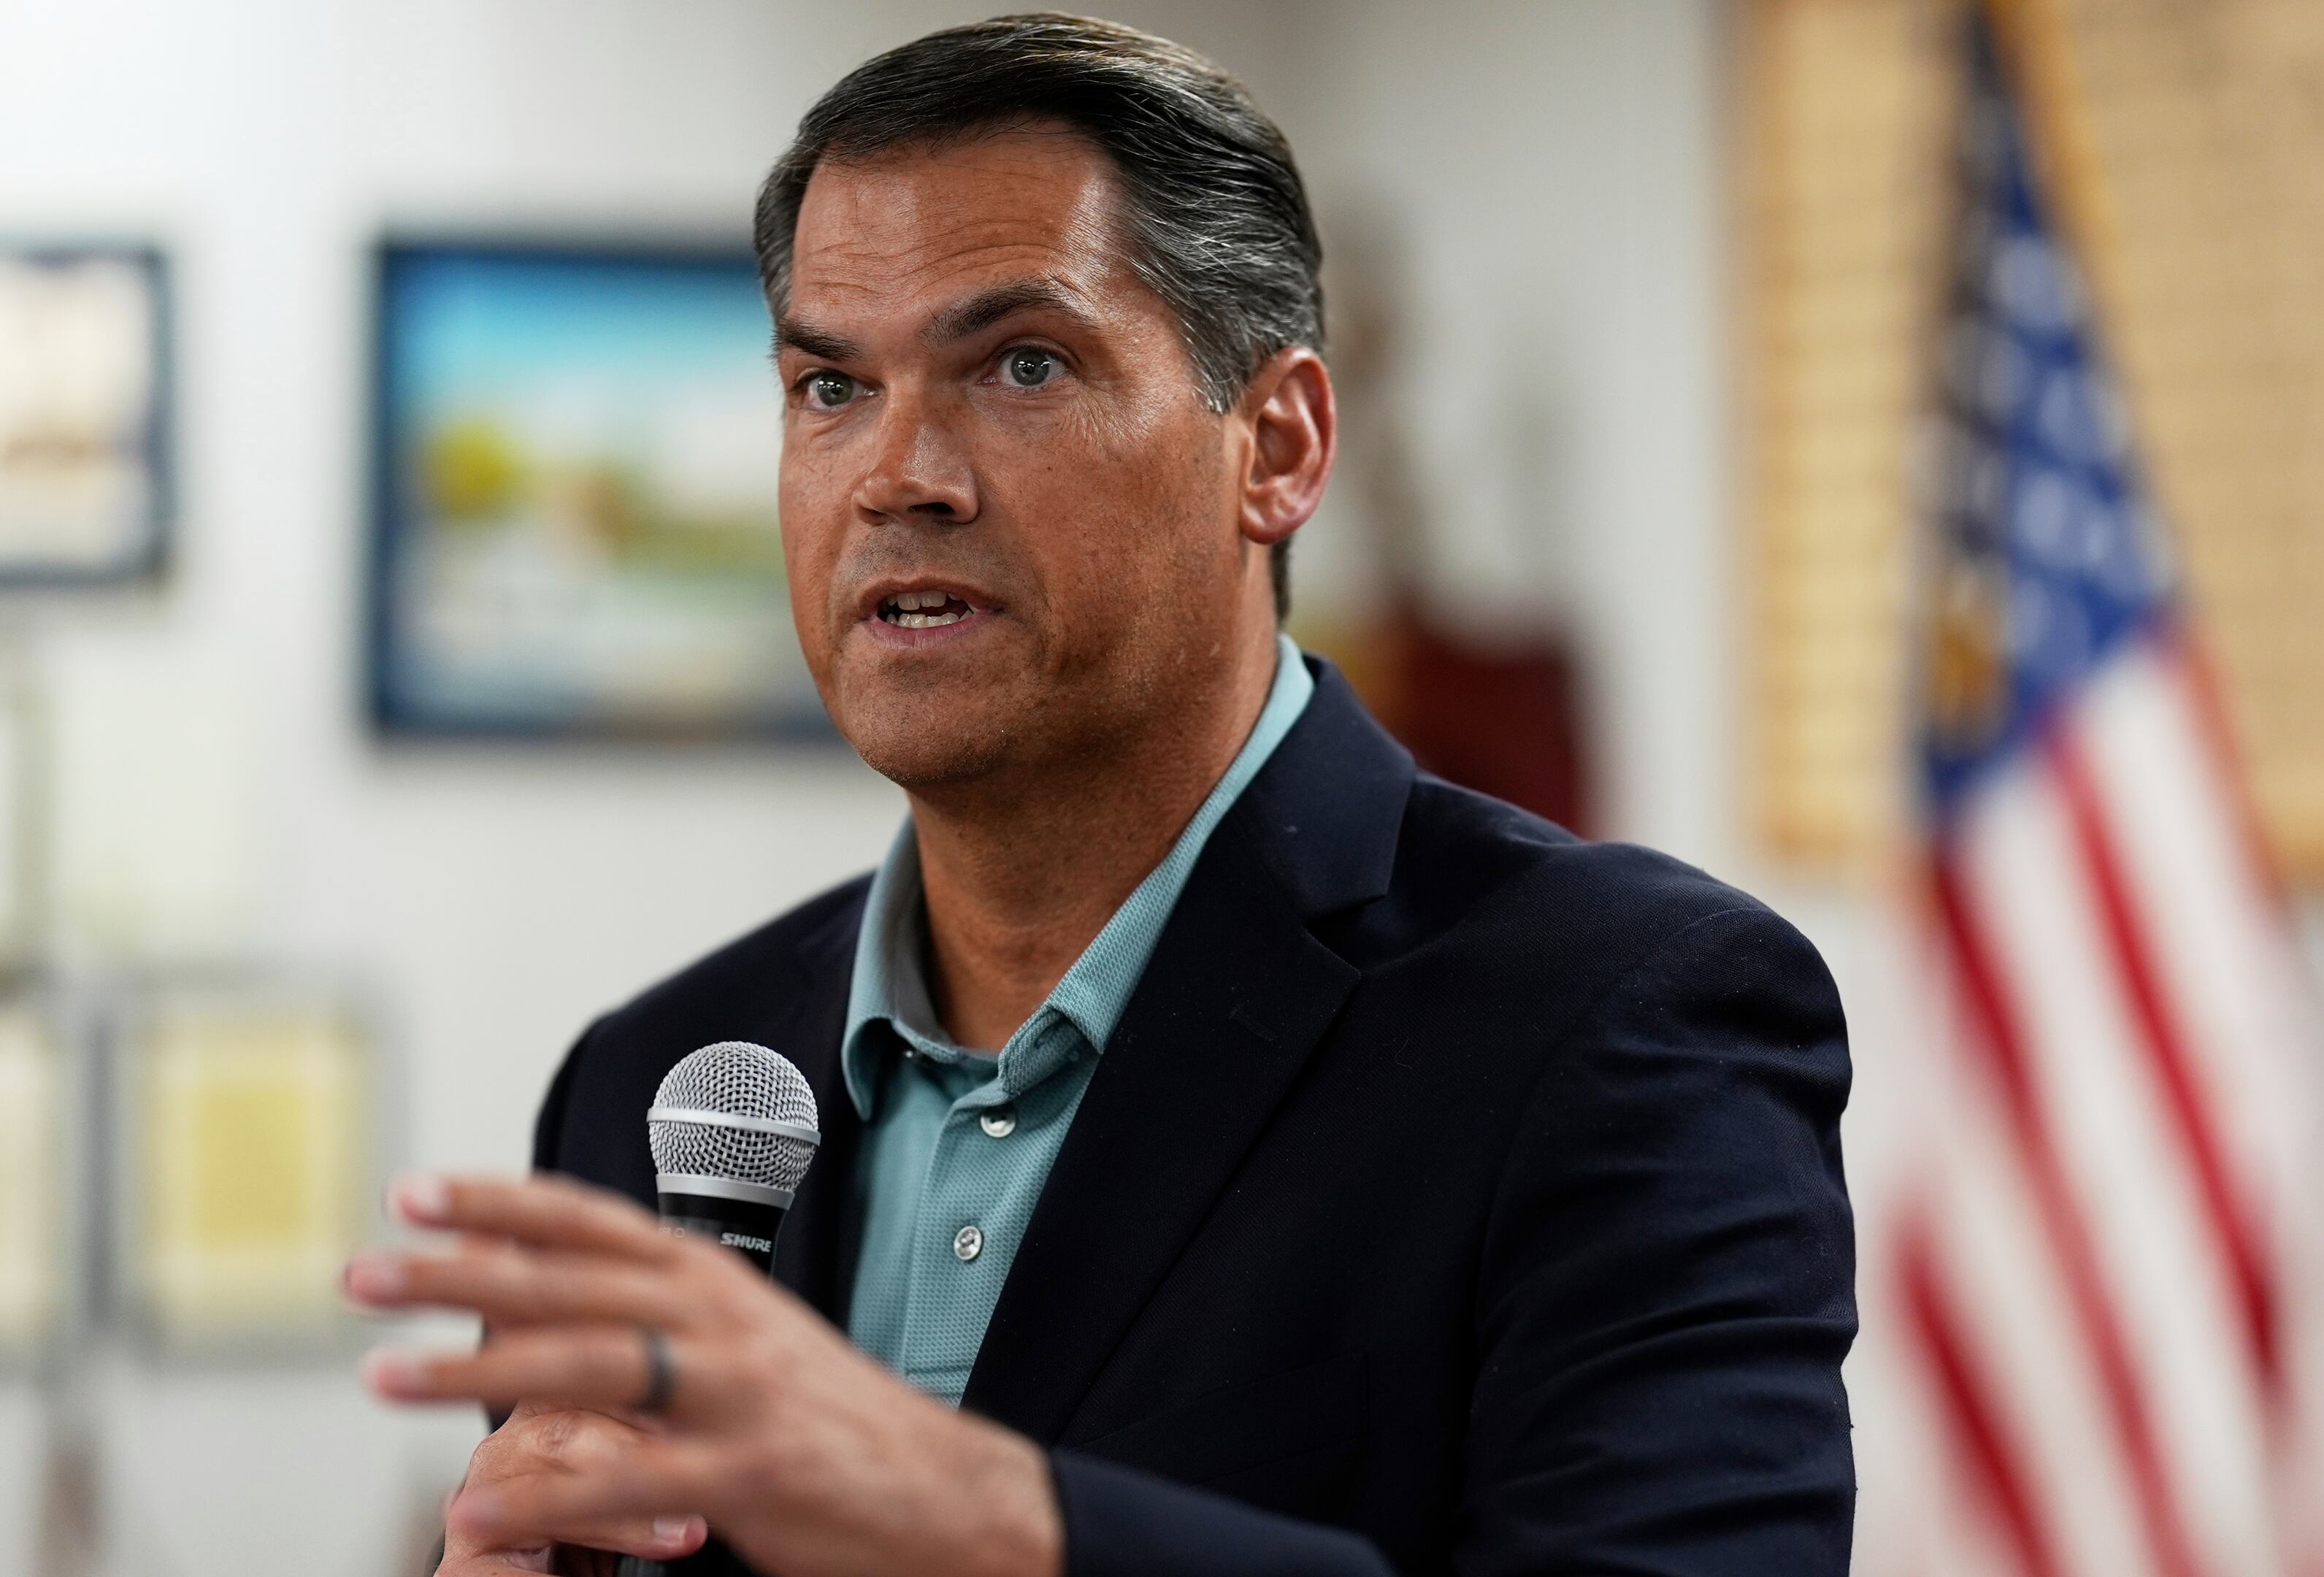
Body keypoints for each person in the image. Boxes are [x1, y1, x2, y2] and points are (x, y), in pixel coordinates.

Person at [345, 15, 1856, 1576]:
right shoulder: (654, 1082)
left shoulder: (1624, 1019)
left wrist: (978, 1516)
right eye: (828, 387)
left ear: (1277, 444)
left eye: (1022, 364)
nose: (896, 474)